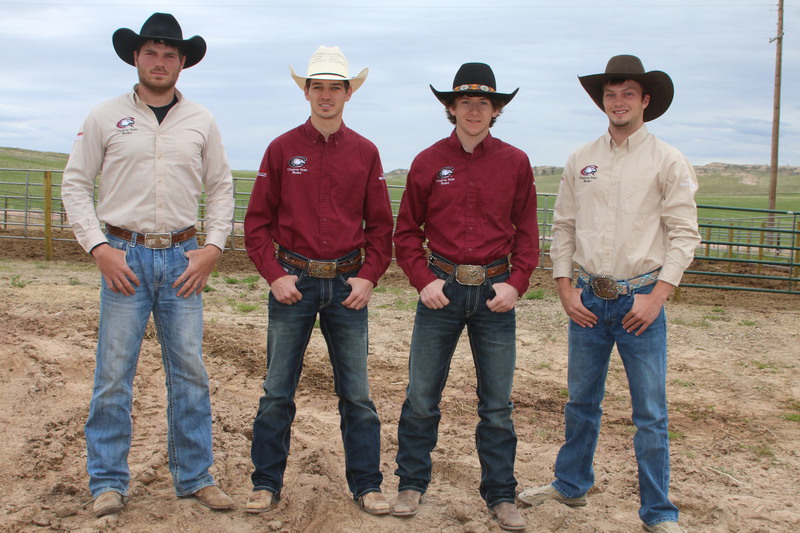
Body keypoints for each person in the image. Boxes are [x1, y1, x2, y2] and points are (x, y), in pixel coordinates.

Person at [61, 13, 236, 517]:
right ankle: (108, 482)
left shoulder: (201, 120)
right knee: (114, 372)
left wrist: (214, 248)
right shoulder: (104, 116)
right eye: (151, 52)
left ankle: (195, 476)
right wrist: (98, 248)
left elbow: (221, 187)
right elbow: (76, 184)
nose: (160, 62)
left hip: (184, 259)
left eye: (169, 54)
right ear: (136, 57)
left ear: (182, 63)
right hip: (124, 257)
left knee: (190, 373)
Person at [517, 55, 700, 533]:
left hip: (641, 300)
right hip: (588, 299)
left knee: (650, 414)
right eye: (610, 94)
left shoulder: (668, 160)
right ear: (603, 101)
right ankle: (571, 484)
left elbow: (684, 234)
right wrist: (563, 287)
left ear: (646, 100)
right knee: (580, 401)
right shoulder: (582, 160)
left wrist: (657, 296)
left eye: (627, 94)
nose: (618, 102)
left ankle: (658, 513)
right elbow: (564, 226)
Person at [243, 46, 394, 516]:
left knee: (357, 393)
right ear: (306, 91)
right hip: (294, 283)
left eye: (335, 87)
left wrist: (368, 277)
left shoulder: (366, 153)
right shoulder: (282, 149)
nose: (326, 95)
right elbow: (256, 223)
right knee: (276, 390)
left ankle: (367, 485)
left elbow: (381, 227)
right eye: (318, 86)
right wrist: (274, 275)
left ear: (349, 93)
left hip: (347, 286)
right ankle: (265, 484)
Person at [392, 63, 539, 532]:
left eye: (484, 103)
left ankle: (501, 494)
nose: (474, 110)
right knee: (421, 395)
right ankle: (411, 483)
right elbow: (406, 232)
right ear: (450, 108)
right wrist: (423, 279)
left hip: (495, 293)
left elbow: (529, 233)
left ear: (495, 110)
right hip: (442, 290)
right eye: (465, 102)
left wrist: (517, 282)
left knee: (496, 404)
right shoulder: (428, 160)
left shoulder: (515, 162)